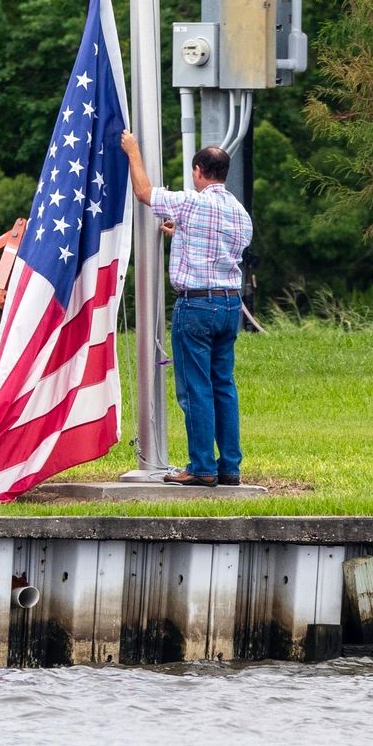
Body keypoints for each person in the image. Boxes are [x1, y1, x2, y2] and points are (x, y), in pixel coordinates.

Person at [120, 133, 253, 485]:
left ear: (199, 171)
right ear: (224, 172)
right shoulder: (240, 213)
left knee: (196, 387)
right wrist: (180, 232)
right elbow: (216, 246)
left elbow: (145, 193)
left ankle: (201, 468)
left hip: (196, 305)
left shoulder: (192, 203)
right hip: (229, 304)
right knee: (223, 385)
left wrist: (133, 150)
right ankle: (230, 467)